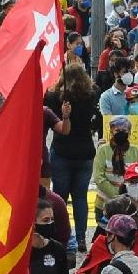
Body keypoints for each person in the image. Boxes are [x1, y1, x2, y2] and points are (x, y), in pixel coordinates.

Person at [46, 60, 102, 248]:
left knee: (60, 197)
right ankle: (80, 237)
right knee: (80, 197)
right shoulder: (92, 96)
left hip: (62, 151)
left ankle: (61, 235)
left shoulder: (55, 98)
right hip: (85, 152)